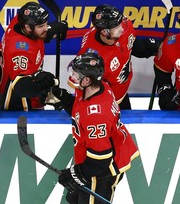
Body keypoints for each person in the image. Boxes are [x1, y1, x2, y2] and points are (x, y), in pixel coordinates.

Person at [44, 53, 139, 203]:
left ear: (87, 80)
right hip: (104, 155)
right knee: (75, 199)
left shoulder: (96, 115)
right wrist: (64, 98)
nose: (72, 76)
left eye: (75, 74)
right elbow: (81, 109)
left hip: (105, 170)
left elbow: (101, 159)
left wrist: (76, 173)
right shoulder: (98, 87)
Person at [76, 4, 161, 110]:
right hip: (108, 100)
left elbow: (130, 45)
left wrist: (152, 47)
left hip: (122, 90)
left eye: (120, 23)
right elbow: (79, 85)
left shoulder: (125, 25)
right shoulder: (91, 58)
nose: (121, 28)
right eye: (116, 27)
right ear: (104, 32)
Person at [0, 1, 68, 110]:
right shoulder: (19, 51)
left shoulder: (19, 21)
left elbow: (36, 34)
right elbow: (21, 88)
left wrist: (51, 31)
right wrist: (46, 83)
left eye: (46, 24)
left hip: (16, 77)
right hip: (13, 100)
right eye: (42, 26)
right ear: (28, 27)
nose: (46, 28)